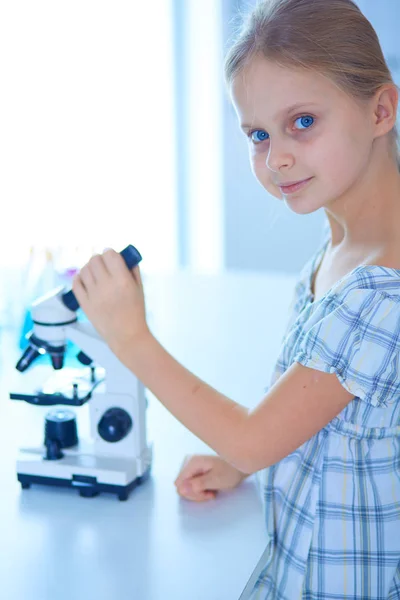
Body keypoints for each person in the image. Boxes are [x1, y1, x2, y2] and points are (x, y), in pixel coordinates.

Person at [72, 0, 400, 597]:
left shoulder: (380, 292)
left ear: (380, 109)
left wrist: (130, 337)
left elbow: (253, 433)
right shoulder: (341, 247)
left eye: (303, 121)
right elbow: (321, 420)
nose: (276, 158)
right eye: (258, 133)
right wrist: (246, 462)